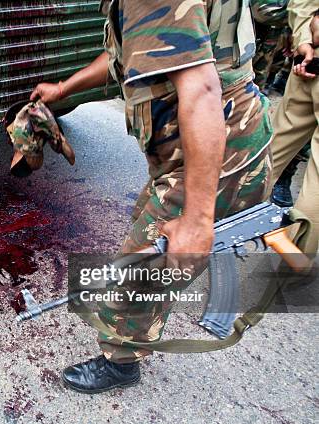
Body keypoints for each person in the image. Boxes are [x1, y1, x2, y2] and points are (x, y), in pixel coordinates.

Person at [31, 0, 272, 393]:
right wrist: (62, 89)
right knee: (147, 242)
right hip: (212, 147)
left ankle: (121, 361)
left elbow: (202, 89)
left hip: (219, 153)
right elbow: (124, 57)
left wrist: (197, 220)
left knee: (140, 268)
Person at [269, 1, 319, 253]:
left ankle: (212, 215)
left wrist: (304, 39)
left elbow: (303, 2)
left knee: (273, 148)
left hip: (311, 58)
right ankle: (293, 260)